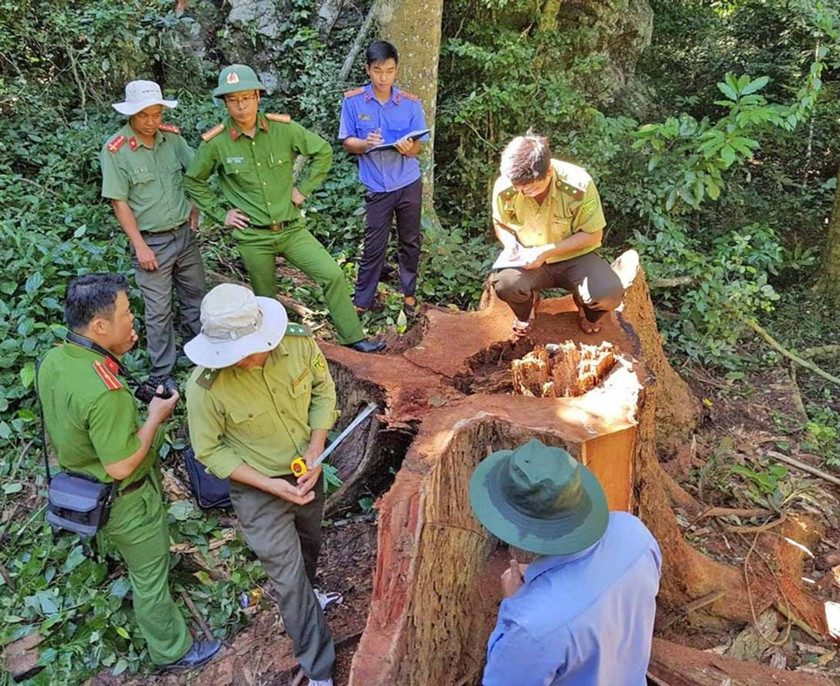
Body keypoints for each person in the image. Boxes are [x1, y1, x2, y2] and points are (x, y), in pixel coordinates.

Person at [36, 274, 220, 671]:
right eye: (126, 313)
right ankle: (172, 651)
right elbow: (120, 465)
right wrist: (154, 417)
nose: (133, 318)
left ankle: (114, 552)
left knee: (132, 554)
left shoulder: (56, 359)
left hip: (82, 484)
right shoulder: (106, 394)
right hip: (126, 501)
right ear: (100, 326)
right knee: (149, 577)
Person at [184, 283, 341, 686]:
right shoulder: (204, 388)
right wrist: (269, 486)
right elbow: (209, 450)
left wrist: (316, 450)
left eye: (245, 351)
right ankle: (319, 669)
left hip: (306, 472)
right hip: (257, 490)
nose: (239, 361)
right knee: (287, 580)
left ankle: (310, 597)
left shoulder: (298, 343)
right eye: (229, 354)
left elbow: (323, 390)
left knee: (309, 545)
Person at [183, 65, 384, 354]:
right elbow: (193, 180)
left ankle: (353, 337)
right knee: (266, 299)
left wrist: (302, 190)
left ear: (257, 97)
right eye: (233, 100)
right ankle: (274, 352)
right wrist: (220, 213)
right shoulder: (217, 143)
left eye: (246, 98)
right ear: (225, 103)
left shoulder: (283, 129)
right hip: (253, 236)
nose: (241, 106)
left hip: (291, 230)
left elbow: (322, 151)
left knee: (331, 274)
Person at [469, 439, 661, 685]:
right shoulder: (635, 534)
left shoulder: (530, 628)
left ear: (514, 526)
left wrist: (515, 604)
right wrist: (541, 580)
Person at [100, 80, 206, 391]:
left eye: (156, 114)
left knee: (195, 297)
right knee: (158, 311)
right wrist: (140, 246)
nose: (151, 122)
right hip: (152, 241)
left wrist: (195, 207)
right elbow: (119, 203)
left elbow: (196, 172)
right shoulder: (117, 150)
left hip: (184, 235)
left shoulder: (172, 139)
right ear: (130, 114)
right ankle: (162, 372)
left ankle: (200, 355)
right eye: (144, 115)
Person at [490, 133, 625, 337]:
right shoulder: (506, 186)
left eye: (531, 188)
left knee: (608, 293)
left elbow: (593, 235)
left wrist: (546, 252)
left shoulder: (579, 184)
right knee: (506, 284)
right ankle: (528, 307)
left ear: (549, 172)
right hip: (527, 257)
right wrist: (510, 246)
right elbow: (500, 223)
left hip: (575, 256)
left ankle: (586, 309)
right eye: (518, 188)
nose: (523, 192)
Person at [338, 40, 429, 316]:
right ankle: (362, 301)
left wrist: (407, 147)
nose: (383, 77)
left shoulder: (410, 104)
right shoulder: (353, 101)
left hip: (408, 182)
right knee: (374, 244)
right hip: (377, 185)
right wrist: (365, 143)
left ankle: (408, 294)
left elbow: (418, 147)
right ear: (368, 69)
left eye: (389, 71)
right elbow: (347, 141)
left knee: (410, 240)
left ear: (396, 70)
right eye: (378, 70)